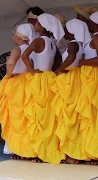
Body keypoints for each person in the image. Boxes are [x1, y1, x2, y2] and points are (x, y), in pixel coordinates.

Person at [21, 13, 65, 164]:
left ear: (44, 26)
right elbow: (58, 61)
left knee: (39, 116)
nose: (35, 25)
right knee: (49, 117)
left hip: (39, 79)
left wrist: (32, 72)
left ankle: (41, 151)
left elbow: (24, 56)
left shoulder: (39, 40)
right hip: (50, 78)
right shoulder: (52, 42)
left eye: (38, 23)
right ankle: (49, 149)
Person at [0, 24, 37, 159]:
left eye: (14, 34)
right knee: (27, 117)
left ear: (18, 36)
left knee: (16, 118)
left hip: (17, 84)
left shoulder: (18, 49)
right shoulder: (32, 49)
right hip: (29, 82)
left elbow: (11, 63)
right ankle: (30, 149)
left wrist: (9, 75)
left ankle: (18, 149)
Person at [52, 19, 91, 164]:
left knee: (69, 116)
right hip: (74, 77)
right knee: (72, 116)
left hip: (70, 78)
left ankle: (73, 153)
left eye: (67, 30)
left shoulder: (73, 44)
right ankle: (75, 152)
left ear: (73, 31)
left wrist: (60, 69)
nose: (65, 33)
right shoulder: (79, 44)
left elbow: (71, 57)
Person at [78, 12, 98, 165]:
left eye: (90, 22)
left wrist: (82, 61)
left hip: (94, 78)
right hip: (90, 78)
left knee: (93, 115)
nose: (88, 24)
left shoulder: (97, 38)